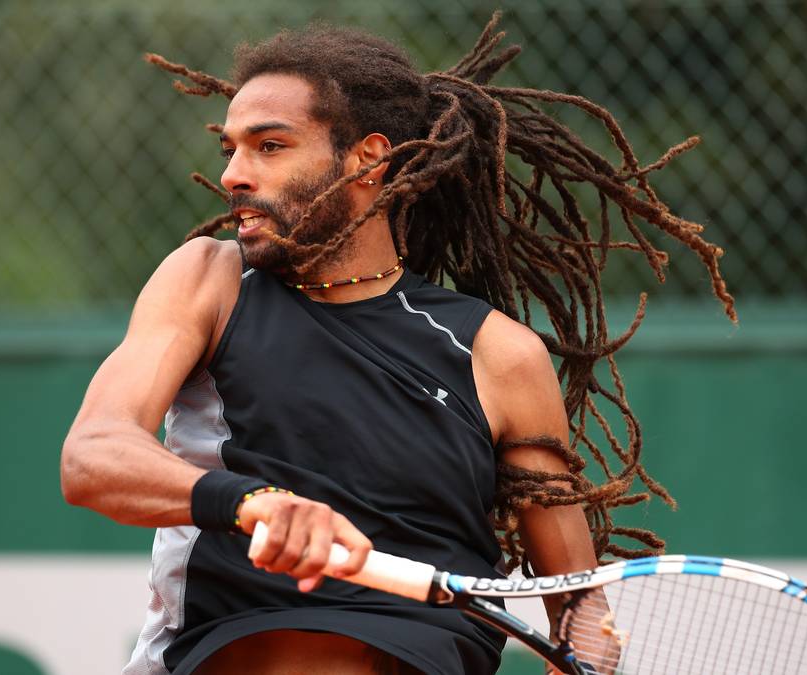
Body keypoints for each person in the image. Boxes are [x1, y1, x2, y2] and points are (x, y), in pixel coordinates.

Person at [61, 13, 736, 675]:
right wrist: (250, 501)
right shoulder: (210, 280)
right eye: (230, 149)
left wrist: (589, 656)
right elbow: (94, 456)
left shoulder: (499, 355)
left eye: (269, 146)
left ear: (368, 159)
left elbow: (582, 612)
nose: (235, 173)